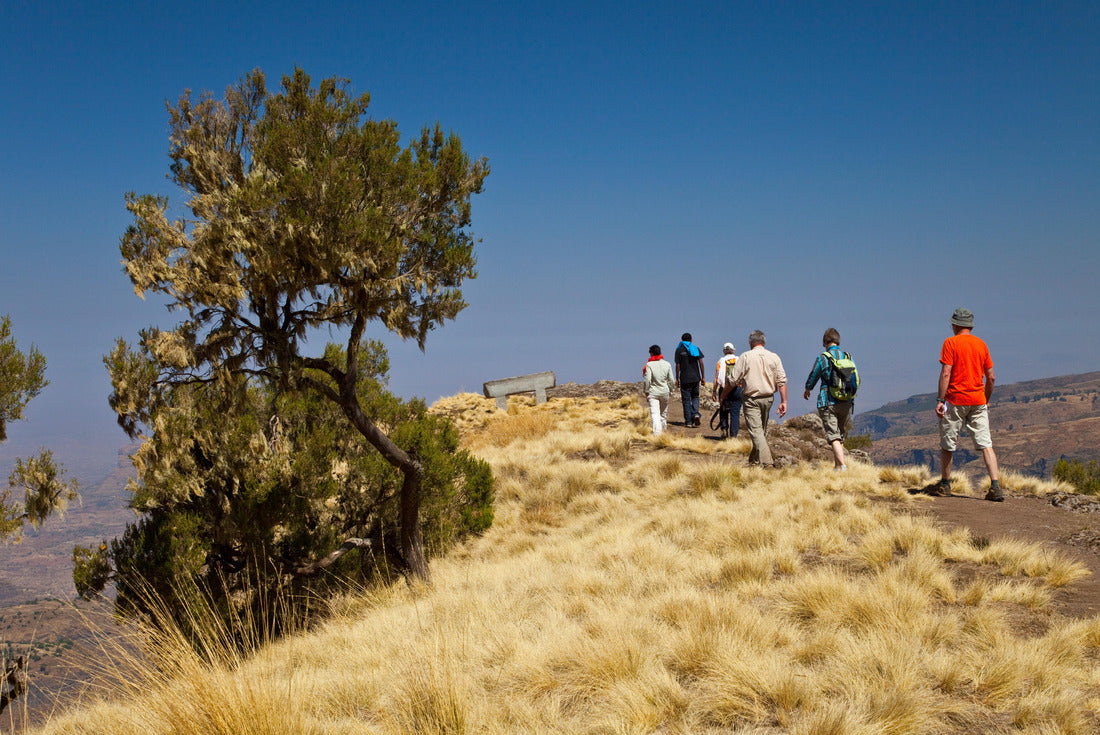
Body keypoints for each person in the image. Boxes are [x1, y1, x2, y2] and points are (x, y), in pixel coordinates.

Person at [934, 308, 1002, 500]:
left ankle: (945, 484)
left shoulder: (950, 343)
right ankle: (995, 486)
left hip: (956, 399)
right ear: (970, 325)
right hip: (978, 400)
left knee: (948, 443)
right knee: (986, 444)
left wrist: (940, 400)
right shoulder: (981, 344)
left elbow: (946, 372)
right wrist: (986, 399)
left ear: (955, 324)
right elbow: (991, 377)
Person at [727, 330, 787, 466]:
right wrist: (784, 401)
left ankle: (767, 463)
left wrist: (723, 395)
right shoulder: (774, 357)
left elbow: (733, 380)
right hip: (768, 398)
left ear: (750, 342)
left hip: (751, 399)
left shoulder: (745, 357)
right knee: (760, 431)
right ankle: (753, 462)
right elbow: (782, 381)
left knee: (757, 432)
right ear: (764, 342)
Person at [803, 327, 852, 471]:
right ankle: (837, 466)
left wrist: (807, 389)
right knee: (840, 435)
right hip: (846, 401)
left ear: (825, 342)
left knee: (833, 436)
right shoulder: (847, 356)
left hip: (828, 401)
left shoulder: (823, 358)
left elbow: (814, 376)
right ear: (838, 341)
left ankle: (842, 466)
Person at [674, 333, 706, 427]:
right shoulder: (695, 348)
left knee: (686, 400)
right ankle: (695, 413)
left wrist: (677, 378)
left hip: (684, 378)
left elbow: (678, 365)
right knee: (695, 397)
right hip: (696, 377)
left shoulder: (679, 350)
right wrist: (703, 377)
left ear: (682, 340)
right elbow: (701, 363)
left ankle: (688, 422)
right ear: (691, 340)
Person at [643, 344, 675, 435]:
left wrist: (646, 391)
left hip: (653, 392)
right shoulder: (667, 364)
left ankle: (657, 435)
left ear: (651, 353)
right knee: (663, 415)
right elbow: (671, 380)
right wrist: (671, 390)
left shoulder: (649, 365)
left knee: (655, 414)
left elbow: (647, 380)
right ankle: (664, 433)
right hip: (665, 392)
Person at [713, 342, 742, 437]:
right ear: (733, 351)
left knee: (723, 410)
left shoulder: (721, 361)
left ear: (724, 351)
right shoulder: (739, 360)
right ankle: (733, 435)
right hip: (737, 388)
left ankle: (724, 430)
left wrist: (714, 391)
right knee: (735, 413)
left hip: (724, 388)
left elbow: (717, 378)